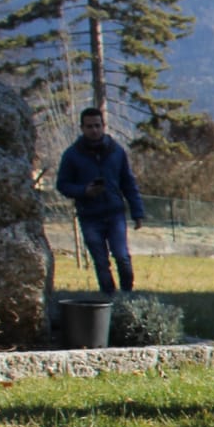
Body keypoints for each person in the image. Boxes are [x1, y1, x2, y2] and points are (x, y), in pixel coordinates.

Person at [56, 107, 146, 295]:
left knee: (122, 256)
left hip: (114, 214)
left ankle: (128, 295)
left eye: (97, 125)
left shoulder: (116, 152)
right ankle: (109, 298)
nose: (94, 130)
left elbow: (128, 183)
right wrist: (84, 191)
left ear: (103, 126)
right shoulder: (72, 155)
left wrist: (138, 212)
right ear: (82, 128)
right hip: (89, 216)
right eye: (89, 126)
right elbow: (62, 185)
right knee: (101, 261)